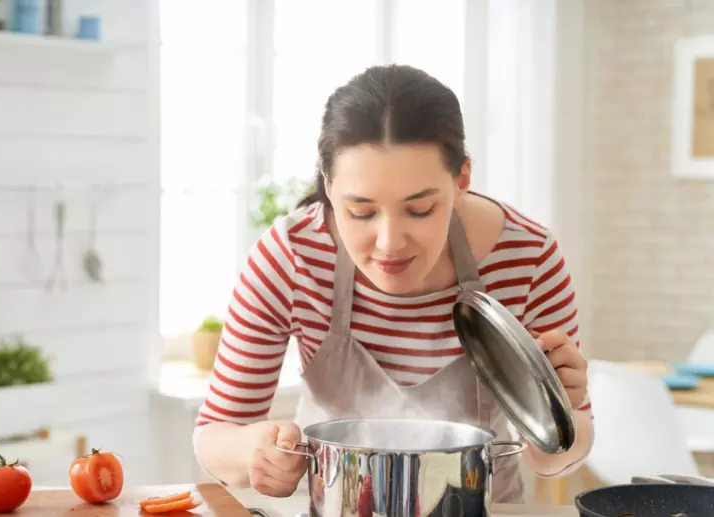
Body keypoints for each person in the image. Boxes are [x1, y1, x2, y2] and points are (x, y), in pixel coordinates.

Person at [192, 64, 594, 502]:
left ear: (461, 181)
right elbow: (215, 434)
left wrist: (561, 409)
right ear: (328, 185)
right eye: (361, 212)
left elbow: (554, 461)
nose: (388, 244)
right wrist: (255, 453)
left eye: (419, 210)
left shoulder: (527, 257)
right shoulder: (292, 257)